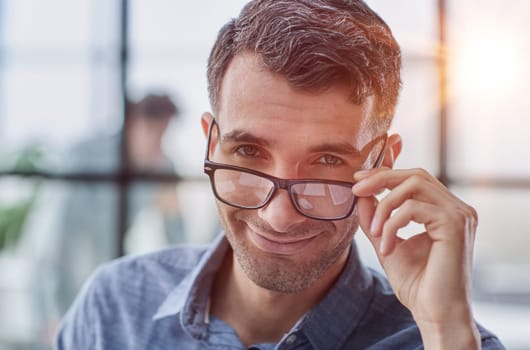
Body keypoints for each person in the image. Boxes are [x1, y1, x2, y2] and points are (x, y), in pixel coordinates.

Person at [56, 1, 504, 349]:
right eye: (248, 151)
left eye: (327, 161)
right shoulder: (112, 308)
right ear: (211, 145)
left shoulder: (451, 341)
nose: (278, 217)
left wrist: (445, 331)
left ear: (383, 163)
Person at [32, 93, 185, 347]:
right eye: (152, 131)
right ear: (132, 124)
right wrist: (52, 314)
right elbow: (54, 244)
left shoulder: (161, 167)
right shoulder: (85, 157)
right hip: (53, 273)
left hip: (105, 272)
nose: (158, 143)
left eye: (164, 133)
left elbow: (177, 237)